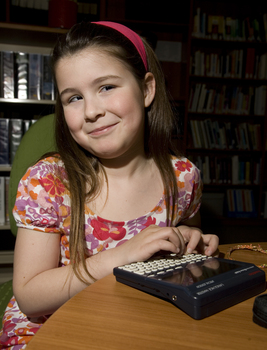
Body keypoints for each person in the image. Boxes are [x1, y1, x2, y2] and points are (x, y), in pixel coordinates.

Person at [0, 21, 219, 349]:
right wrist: (122, 254)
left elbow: (184, 255)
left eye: (106, 87)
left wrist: (192, 244)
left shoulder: (183, 179)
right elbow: (31, 297)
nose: (90, 111)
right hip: (53, 326)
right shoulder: (48, 182)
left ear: (146, 89)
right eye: (74, 97)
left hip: (136, 319)